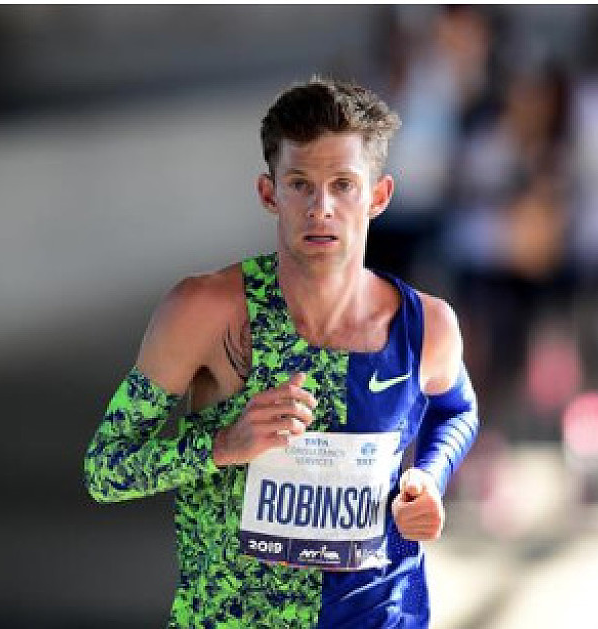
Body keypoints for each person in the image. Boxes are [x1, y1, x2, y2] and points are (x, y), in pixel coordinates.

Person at [83, 77, 480, 628]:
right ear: (269, 194)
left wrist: (430, 478)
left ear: (379, 196)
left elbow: (457, 410)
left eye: (343, 185)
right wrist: (223, 446)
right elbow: (106, 469)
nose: (321, 207)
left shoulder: (425, 325)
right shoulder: (203, 311)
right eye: (300, 184)